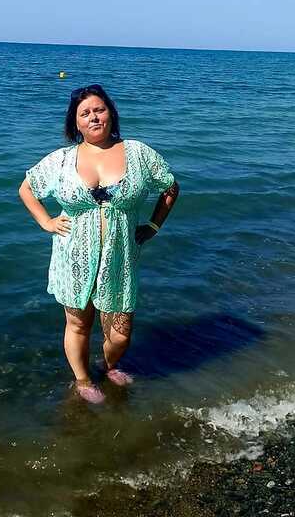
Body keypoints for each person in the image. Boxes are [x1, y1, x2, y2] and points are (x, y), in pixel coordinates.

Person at [18, 84, 179, 404]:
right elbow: (27, 188)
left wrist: (154, 225)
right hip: (73, 255)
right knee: (78, 323)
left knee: (120, 334)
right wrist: (46, 222)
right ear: (75, 123)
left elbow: (170, 187)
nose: (93, 117)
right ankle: (82, 380)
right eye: (85, 113)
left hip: (120, 258)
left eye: (99, 110)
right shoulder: (61, 159)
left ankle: (108, 365)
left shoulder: (138, 153)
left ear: (111, 114)